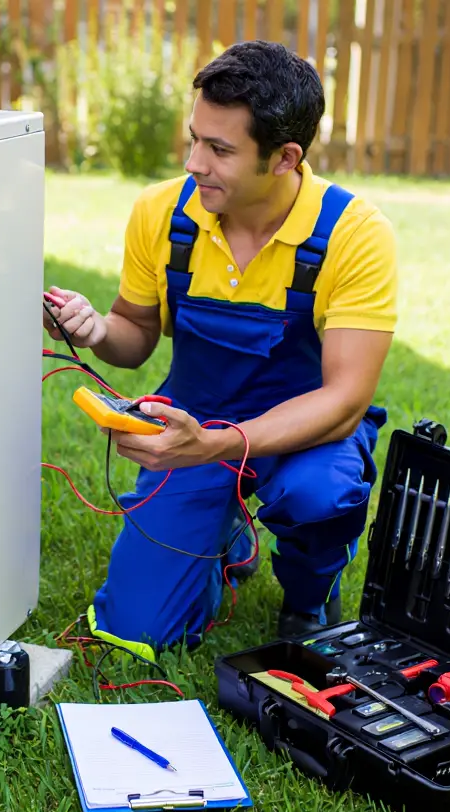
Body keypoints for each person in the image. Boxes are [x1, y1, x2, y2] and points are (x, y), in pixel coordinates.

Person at [43, 41, 397, 659]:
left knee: (320, 497)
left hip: (305, 436)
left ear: (285, 157)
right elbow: (134, 333)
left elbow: (344, 400)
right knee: (137, 629)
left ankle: (310, 590)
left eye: (219, 149)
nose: (193, 162)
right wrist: (97, 330)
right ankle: (222, 537)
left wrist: (219, 445)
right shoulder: (162, 213)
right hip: (194, 427)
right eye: (194, 139)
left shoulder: (354, 234)